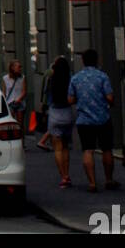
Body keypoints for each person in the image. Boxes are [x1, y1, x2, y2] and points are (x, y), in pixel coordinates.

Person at [68, 48, 119, 191]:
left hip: (84, 120)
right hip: (103, 118)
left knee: (88, 150)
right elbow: (109, 97)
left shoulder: (76, 78)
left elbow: (70, 99)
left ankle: (92, 183)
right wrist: (110, 102)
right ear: (97, 60)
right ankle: (109, 179)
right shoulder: (102, 77)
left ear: (83, 61)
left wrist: (82, 98)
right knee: (107, 150)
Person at [44, 56, 75, 186]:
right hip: (67, 114)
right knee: (66, 147)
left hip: (55, 114)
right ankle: (67, 174)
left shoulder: (52, 80)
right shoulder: (70, 79)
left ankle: (63, 177)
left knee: (57, 148)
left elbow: (47, 98)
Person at [2, 60, 27, 129]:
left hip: (20, 103)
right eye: (18, 67)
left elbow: (24, 91)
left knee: (20, 125)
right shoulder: (5, 78)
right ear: (12, 68)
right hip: (10, 103)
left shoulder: (22, 77)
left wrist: (19, 100)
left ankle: (21, 139)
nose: (20, 68)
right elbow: (4, 92)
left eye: (20, 67)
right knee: (11, 124)